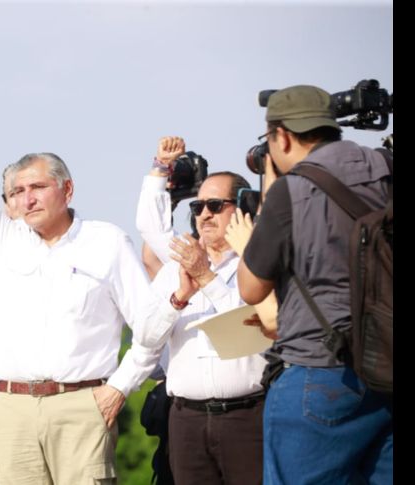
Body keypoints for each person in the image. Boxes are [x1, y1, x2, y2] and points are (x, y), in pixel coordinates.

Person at [0, 49, 163, 484]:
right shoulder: (2, 238)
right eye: (17, 191)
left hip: (83, 405)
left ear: (66, 189)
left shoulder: (107, 242)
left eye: (38, 187)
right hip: (11, 407)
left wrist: (120, 387)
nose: (26, 198)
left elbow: (151, 325)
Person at [237, 85, 393, 484]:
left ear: (282, 136)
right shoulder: (385, 168)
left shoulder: (292, 190)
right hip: (386, 362)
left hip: (320, 371)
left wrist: (271, 192)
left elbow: (251, 289)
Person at [135, 157, 268, 484]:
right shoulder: (172, 270)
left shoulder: (258, 265)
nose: (204, 214)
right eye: (197, 207)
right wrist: (179, 297)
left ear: (240, 207)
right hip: (187, 421)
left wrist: (206, 277)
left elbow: (251, 329)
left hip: (247, 417)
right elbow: (146, 338)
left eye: (214, 205)